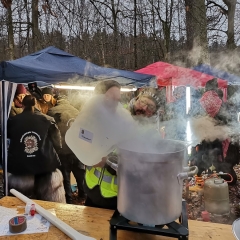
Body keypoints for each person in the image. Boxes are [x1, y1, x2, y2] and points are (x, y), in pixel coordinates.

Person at [84, 82, 162, 209]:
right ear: (135, 99)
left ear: (154, 112)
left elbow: (148, 170)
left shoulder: (153, 136)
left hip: (119, 198)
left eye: (150, 107)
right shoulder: (114, 113)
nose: (143, 108)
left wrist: (124, 164)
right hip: (91, 188)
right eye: (142, 102)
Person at [7, 95, 65, 202]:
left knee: (20, 206)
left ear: (22, 105)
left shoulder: (11, 122)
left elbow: (8, 143)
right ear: (36, 105)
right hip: (46, 168)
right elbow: (58, 144)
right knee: (51, 208)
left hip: (20, 170)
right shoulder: (48, 120)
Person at [83, 80, 121, 209]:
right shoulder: (88, 120)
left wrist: (112, 162)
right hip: (91, 190)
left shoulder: (125, 121)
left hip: (115, 198)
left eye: (117, 100)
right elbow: (80, 150)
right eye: (110, 99)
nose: (114, 104)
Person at [47, 94, 86, 204]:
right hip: (76, 149)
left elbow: (50, 133)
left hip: (62, 150)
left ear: (57, 100)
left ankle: (68, 200)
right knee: (80, 174)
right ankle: (83, 196)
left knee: (65, 177)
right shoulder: (77, 112)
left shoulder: (51, 111)